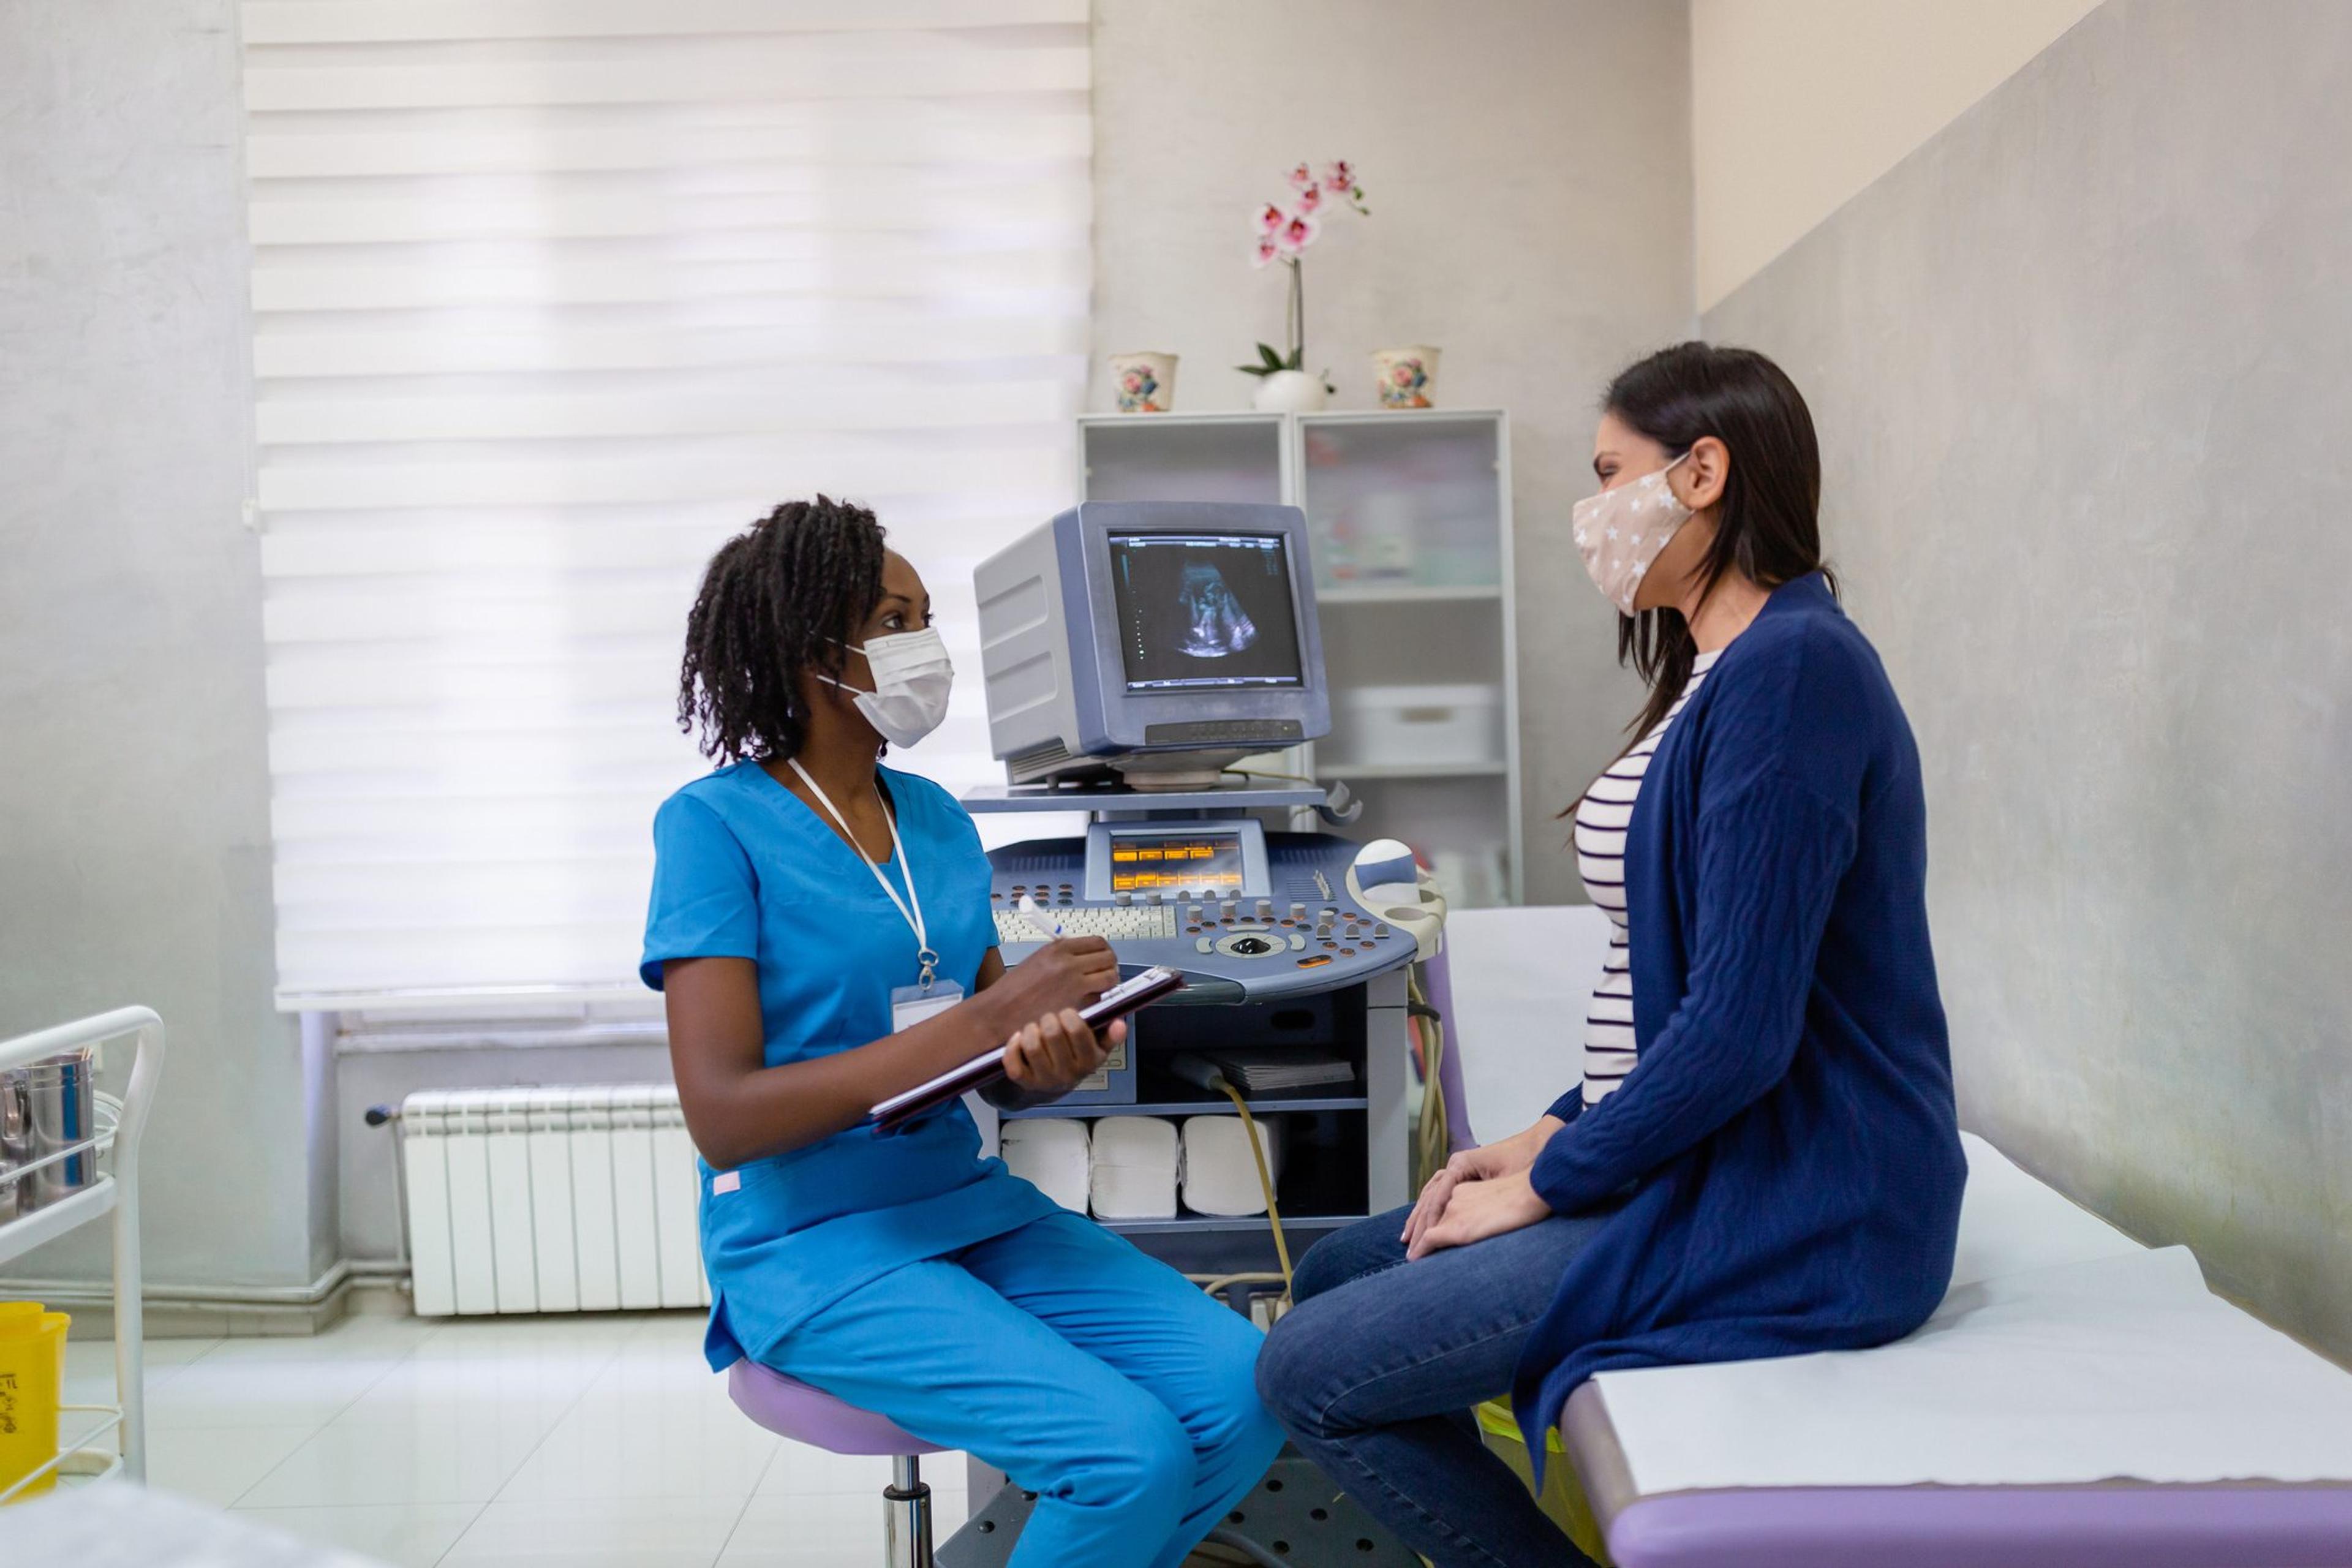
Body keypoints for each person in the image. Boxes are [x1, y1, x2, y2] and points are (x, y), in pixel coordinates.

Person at [1254, 343, 1967, 1567]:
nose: (1591, 514)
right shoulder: (1718, 672)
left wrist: (1559, 1175)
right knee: (1334, 1271)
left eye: (1607, 472)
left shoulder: (1795, 672)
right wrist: (1551, 1127)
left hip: (1796, 1198)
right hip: (1691, 1154)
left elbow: (1740, 1027)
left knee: (1305, 1368)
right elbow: (1675, 990)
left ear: (1703, 472)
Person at [643, 497, 1283, 1568]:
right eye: (896, 618)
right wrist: (989, 1017)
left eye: (926, 615)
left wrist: (1053, 1055)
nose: (925, 644)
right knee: (1125, 1456)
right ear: (813, 642)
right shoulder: (712, 827)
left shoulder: (935, 817)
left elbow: (998, 1069)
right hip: (813, 1243)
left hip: (968, 1209)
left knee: (1244, 1390)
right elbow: (724, 1118)